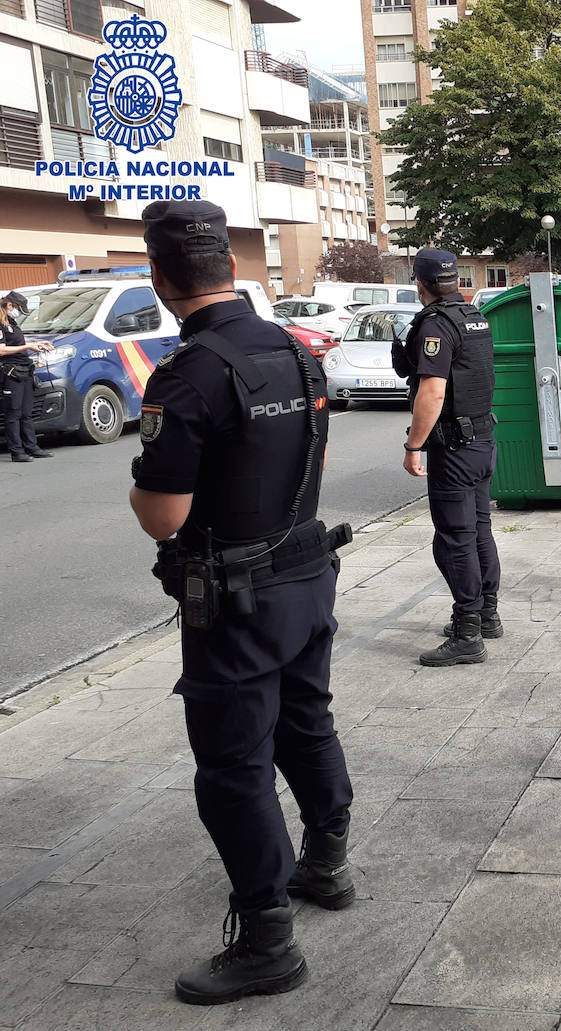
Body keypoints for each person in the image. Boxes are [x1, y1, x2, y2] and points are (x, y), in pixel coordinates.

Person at [128, 200, 355, 1005]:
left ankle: (265, 939)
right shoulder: (298, 352)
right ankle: (326, 862)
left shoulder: (189, 373)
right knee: (307, 720)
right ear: (232, 266)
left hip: (236, 603)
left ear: (161, 279)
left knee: (233, 769)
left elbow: (165, 515)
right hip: (308, 577)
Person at [396, 247, 501, 665]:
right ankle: (487, 616)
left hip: (454, 449)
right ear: (454, 279)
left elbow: (433, 391)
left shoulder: (436, 324)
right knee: (479, 531)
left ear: (418, 282)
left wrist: (414, 446)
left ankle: (468, 632)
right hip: (483, 439)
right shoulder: (475, 318)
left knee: (455, 541)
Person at [1, 290, 54, 462]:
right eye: (17, 308)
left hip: (24, 370)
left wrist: (38, 344)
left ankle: (32, 447)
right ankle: (17, 451)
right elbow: (1, 350)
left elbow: (19, 342)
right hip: (10, 373)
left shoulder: (11, 320)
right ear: (9, 305)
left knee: (26, 413)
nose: (18, 312)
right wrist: (27, 347)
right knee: (13, 413)